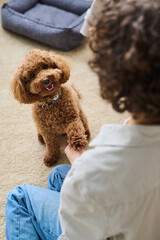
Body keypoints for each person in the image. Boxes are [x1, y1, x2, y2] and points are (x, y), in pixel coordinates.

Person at [5, 0, 160, 239]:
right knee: (57, 175)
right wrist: (80, 167)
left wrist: (83, 171)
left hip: (108, 226)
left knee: (19, 196)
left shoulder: (95, 170)